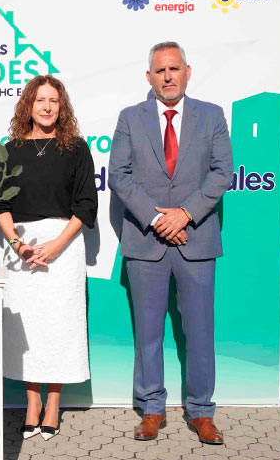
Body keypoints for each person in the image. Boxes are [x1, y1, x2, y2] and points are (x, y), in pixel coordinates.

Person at [108, 41, 234, 444]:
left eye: (174, 69)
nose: (167, 76)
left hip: (197, 241)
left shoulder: (212, 116)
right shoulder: (130, 118)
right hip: (146, 242)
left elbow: (223, 172)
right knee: (148, 333)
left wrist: (185, 213)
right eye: (160, 70)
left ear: (187, 72)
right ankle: (151, 409)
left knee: (199, 332)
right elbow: (119, 175)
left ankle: (201, 411)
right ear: (149, 77)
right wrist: (159, 219)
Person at [0, 75, 98, 441]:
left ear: (61, 107)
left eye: (53, 100)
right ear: (28, 106)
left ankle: (53, 405)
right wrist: (18, 244)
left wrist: (56, 245)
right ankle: (31, 404)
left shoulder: (76, 149)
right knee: (29, 328)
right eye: (40, 100)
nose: (47, 107)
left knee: (59, 326)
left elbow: (86, 204)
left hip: (63, 249)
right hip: (21, 249)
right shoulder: (11, 149)